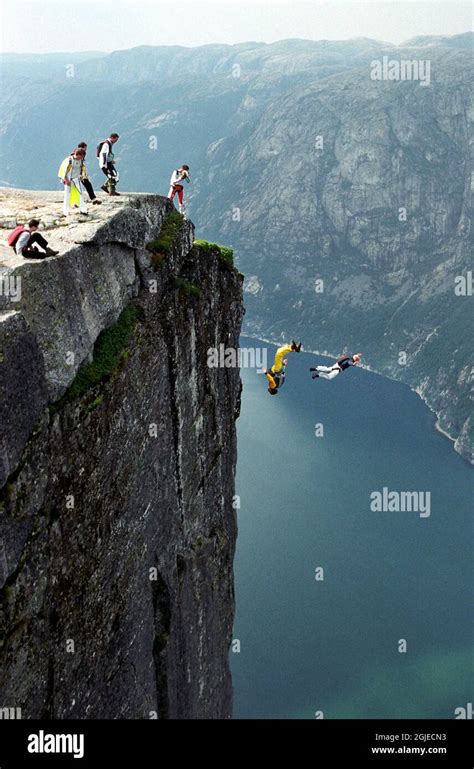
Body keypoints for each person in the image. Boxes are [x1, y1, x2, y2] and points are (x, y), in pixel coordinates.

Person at [58, 148, 88, 216]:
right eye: (81, 156)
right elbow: (64, 171)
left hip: (77, 179)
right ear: (77, 154)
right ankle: (66, 210)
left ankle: (83, 209)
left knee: (80, 193)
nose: (82, 158)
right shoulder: (69, 161)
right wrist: (66, 180)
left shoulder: (81, 160)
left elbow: (82, 168)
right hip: (69, 179)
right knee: (67, 195)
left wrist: (82, 175)